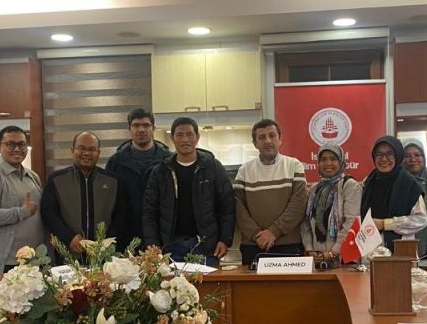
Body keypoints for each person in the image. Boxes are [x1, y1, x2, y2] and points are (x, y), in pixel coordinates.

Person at [143, 117, 235, 265]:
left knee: (208, 281)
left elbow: (227, 206)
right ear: (172, 138)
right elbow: (149, 211)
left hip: (206, 246)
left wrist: (225, 239)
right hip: (170, 247)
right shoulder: (160, 171)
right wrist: (153, 244)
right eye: (179, 135)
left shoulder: (213, 167)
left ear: (197, 137)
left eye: (189, 134)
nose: (185, 139)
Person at [233, 119, 308, 266]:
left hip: (288, 245)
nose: (267, 141)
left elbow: (299, 204)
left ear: (280, 139)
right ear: (255, 143)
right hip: (253, 246)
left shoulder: (294, 165)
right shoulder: (244, 170)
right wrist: (258, 236)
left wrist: (274, 232)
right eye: (261, 137)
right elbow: (238, 208)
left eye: (272, 135)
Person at [0, 125, 44, 273]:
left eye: (22, 144)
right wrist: (21, 212)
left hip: (35, 259)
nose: (17, 149)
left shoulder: (32, 176)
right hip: (6, 262)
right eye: (10, 144)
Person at [41, 131, 121, 258]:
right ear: (72, 150)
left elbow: (121, 215)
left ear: (99, 153)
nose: (86, 153)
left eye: (92, 149)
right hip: (67, 254)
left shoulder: (113, 181)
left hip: (104, 255)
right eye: (81, 148)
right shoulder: (56, 179)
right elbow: (49, 213)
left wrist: (107, 243)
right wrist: (68, 237)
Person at [105, 108, 171, 251]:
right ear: (129, 129)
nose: (141, 130)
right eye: (136, 125)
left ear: (153, 128)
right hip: (124, 237)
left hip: (160, 236)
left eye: (146, 125)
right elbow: (108, 201)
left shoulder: (168, 161)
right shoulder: (115, 162)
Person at [359, 136, 427, 252]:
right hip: (369, 249)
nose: (384, 159)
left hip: (399, 252)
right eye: (379, 154)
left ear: (397, 155)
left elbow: (421, 219)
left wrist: (385, 224)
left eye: (389, 154)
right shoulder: (369, 181)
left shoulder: (409, 184)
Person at [300, 143, 362, 265]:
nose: (328, 163)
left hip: (343, 259)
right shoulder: (314, 190)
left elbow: (351, 222)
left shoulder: (350, 186)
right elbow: (305, 222)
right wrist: (309, 249)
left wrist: (333, 253)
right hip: (318, 258)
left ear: (341, 162)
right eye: (323, 159)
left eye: (333, 159)